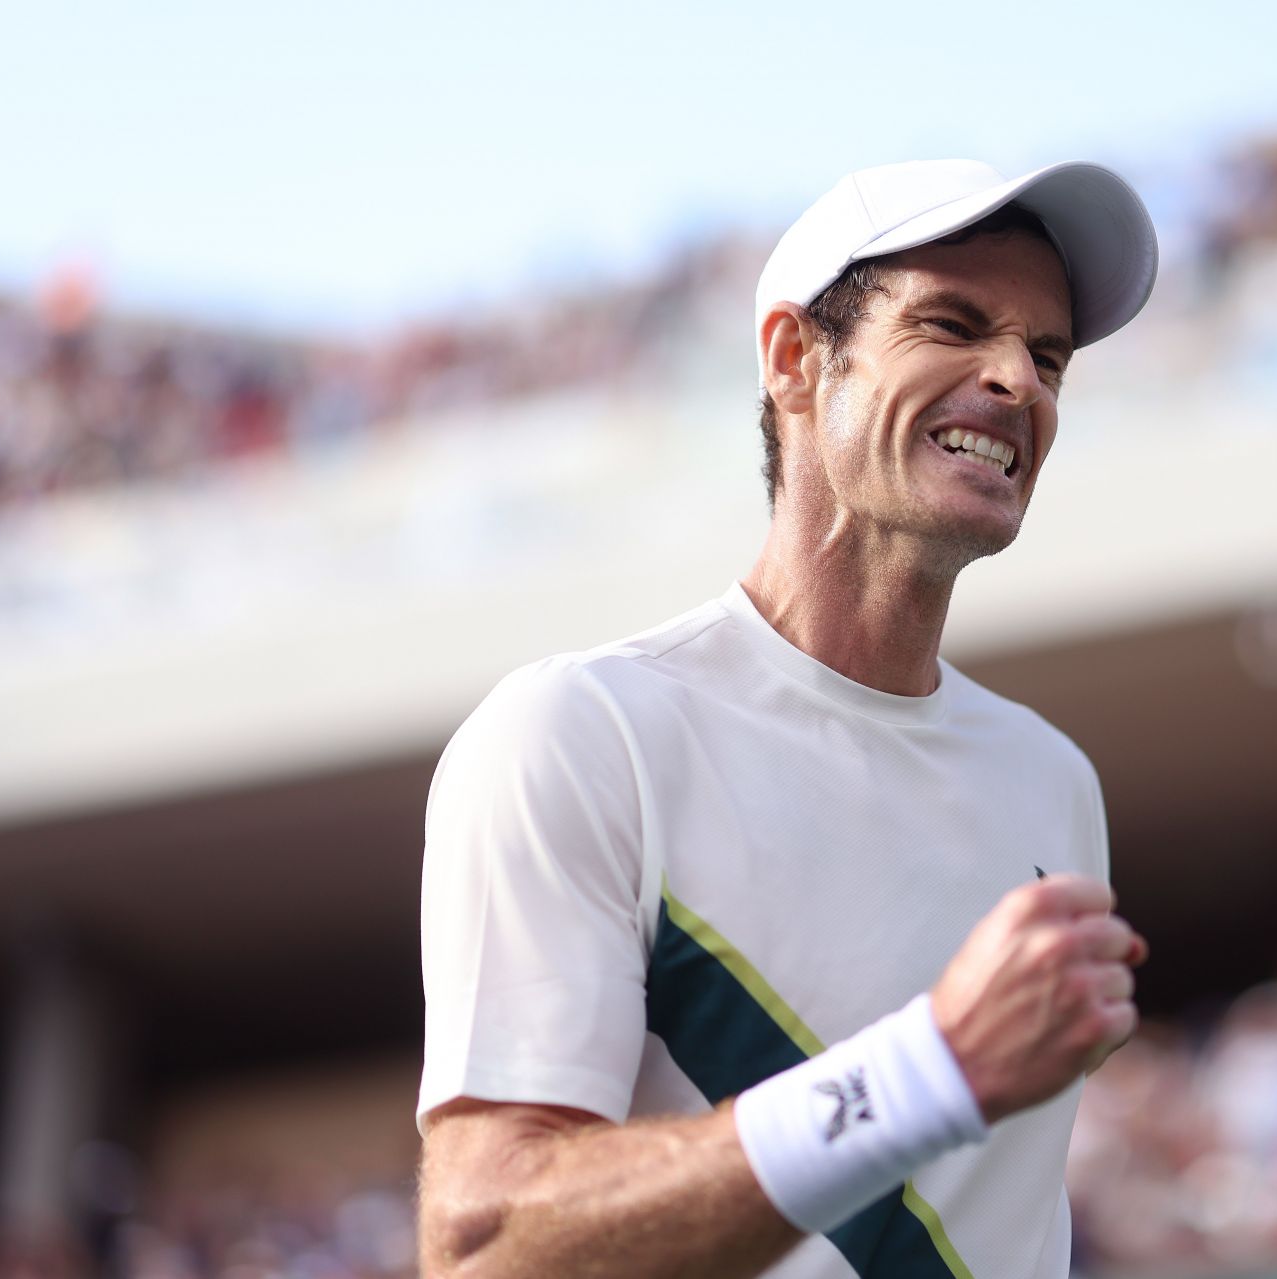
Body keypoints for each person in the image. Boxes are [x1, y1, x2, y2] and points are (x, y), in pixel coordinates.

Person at [415, 158, 1160, 1279]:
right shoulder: (579, 734)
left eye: (1047, 356)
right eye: (953, 324)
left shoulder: (1055, 783)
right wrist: (929, 1074)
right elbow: (488, 1244)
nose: (1019, 379)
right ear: (794, 360)